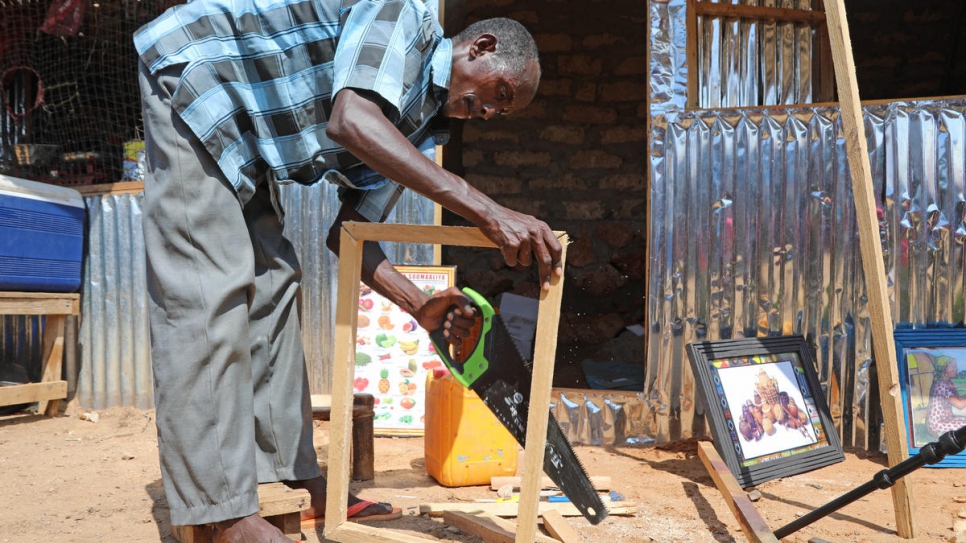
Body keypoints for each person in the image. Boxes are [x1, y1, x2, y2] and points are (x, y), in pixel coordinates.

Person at [134, 0, 562, 541]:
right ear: (479, 48)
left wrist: (419, 305)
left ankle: (294, 477)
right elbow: (351, 119)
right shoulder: (404, 16)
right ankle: (219, 514)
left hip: (248, 141)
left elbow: (348, 235)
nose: (489, 114)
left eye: (503, 113)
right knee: (207, 289)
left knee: (273, 289)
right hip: (195, 73)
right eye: (500, 94)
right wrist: (488, 210)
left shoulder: (423, 127)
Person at [925, 356, 966, 439]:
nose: (957, 369)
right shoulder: (941, 385)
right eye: (953, 367)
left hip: (945, 419)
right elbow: (960, 405)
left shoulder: (945, 382)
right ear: (944, 368)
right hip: (937, 424)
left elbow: (959, 400)